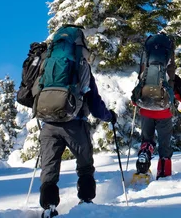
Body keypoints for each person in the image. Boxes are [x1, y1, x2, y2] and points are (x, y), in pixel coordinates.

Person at [34, 25, 117, 218]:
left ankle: (48, 208)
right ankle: (85, 203)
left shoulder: (47, 64)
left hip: (49, 123)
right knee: (85, 166)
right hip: (75, 124)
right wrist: (109, 116)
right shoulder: (81, 65)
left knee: (49, 169)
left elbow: (34, 92)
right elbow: (94, 103)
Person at [131, 34, 181, 179]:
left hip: (146, 110)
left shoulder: (145, 74)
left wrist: (136, 101)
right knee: (165, 146)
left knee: (147, 140)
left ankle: (144, 156)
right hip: (164, 112)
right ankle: (164, 175)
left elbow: (136, 94)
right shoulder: (171, 78)